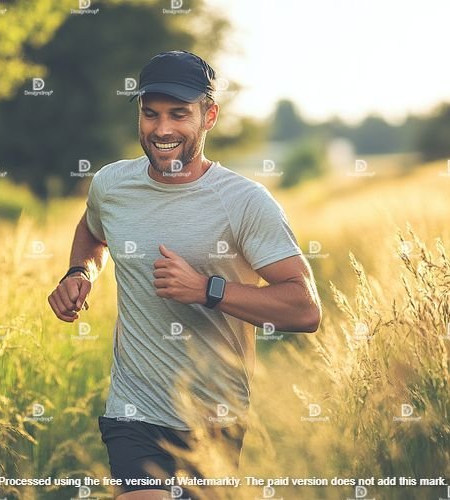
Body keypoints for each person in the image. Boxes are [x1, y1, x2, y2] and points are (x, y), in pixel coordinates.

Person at [48, 50, 322, 500]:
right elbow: (92, 231)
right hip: (133, 411)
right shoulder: (112, 186)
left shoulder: (245, 202)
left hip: (214, 415)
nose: (162, 129)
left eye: (179, 114)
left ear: (209, 115)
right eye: (150, 114)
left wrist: (207, 290)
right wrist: (80, 272)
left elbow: (304, 308)